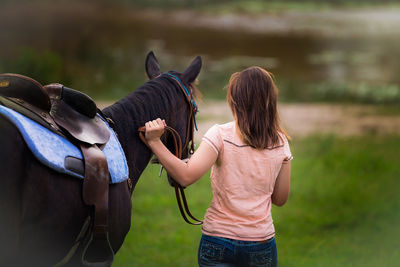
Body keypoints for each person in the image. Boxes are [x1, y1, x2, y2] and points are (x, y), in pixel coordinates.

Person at [145, 66, 292, 267]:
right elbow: (280, 199)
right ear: (270, 101)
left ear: (234, 101)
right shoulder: (281, 142)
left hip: (218, 241)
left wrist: (155, 142)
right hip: (261, 243)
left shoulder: (220, 135)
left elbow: (186, 176)